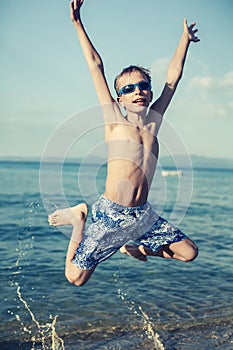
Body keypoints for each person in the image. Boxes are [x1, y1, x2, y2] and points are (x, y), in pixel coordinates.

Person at [49, 0, 200, 286]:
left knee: (188, 252)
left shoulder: (155, 119)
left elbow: (172, 79)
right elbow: (96, 66)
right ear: (120, 98)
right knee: (75, 277)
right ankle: (80, 216)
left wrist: (185, 40)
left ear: (149, 92)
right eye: (128, 89)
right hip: (111, 215)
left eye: (143, 86)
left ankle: (133, 246)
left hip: (142, 215)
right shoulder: (114, 121)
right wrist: (77, 22)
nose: (137, 91)